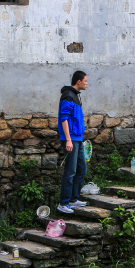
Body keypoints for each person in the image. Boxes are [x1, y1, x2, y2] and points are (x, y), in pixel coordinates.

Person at [57, 70, 89, 214]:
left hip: (77, 139)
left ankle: (73, 199)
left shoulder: (75, 96)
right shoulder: (68, 96)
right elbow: (64, 118)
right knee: (70, 171)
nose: (87, 83)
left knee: (81, 168)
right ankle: (63, 203)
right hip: (70, 139)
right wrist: (68, 140)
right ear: (79, 81)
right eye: (85, 81)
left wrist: (79, 139)